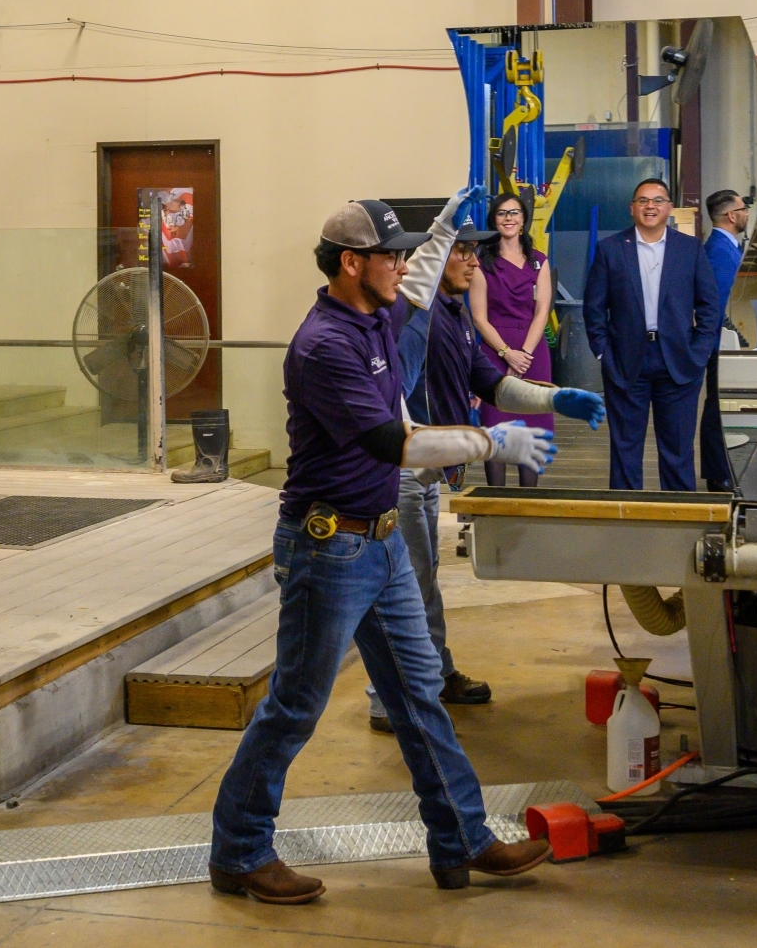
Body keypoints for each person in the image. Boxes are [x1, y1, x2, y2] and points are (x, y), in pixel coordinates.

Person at [209, 197, 558, 905]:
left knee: (418, 695)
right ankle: (239, 851)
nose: (401, 266)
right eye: (388, 255)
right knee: (295, 707)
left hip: (382, 541)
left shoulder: (375, 314)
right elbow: (392, 446)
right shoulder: (323, 346)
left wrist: (438, 235)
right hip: (327, 549)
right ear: (350, 263)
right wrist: (495, 439)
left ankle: (460, 837)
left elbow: (423, 283)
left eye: (404, 254)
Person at [366, 220, 606, 728]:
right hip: (406, 468)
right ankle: (387, 698)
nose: (475, 263)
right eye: (465, 253)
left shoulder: (457, 316)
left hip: (432, 471)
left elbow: (492, 384)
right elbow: (396, 402)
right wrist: (489, 441)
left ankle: (434, 672)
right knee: (403, 588)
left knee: (423, 580)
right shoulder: (413, 318)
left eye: (477, 253)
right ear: (437, 258)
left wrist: (554, 397)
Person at [582, 177, 724, 491]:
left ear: (669, 208)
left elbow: (710, 306)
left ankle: (678, 520)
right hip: (625, 361)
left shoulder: (690, 249)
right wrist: (603, 352)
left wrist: (699, 352)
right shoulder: (610, 249)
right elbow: (594, 308)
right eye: (643, 200)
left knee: (677, 450)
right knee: (625, 448)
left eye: (657, 200)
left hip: (679, 361)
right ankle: (627, 519)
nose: (650, 206)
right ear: (632, 208)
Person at [468, 191, 553, 488]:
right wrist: (507, 353)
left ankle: (529, 503)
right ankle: (496, 503)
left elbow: (542, 310)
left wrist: (523, 356)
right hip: (494, 352)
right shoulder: (480, 263)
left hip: (533, 354)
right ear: (494, 220)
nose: (509, 218)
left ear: (523, 219)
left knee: (533, 429)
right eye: (502, 213)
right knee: (497, 428)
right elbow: (479, 317)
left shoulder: (538, 262)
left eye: (514, 212)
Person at [699, 190, 748, 492]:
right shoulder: (718, 251)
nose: (746, 213)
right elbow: (718, 306)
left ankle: (720, 471)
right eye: (744, 208)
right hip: (720, 346)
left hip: (723, 344)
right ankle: (718, 475)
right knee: (715, 408)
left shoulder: (727, 247)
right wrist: (739, 341)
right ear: (732, 215)